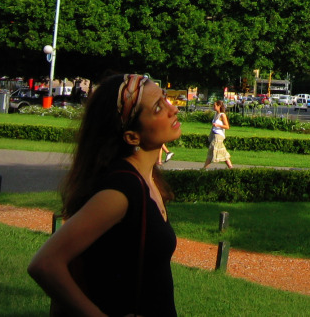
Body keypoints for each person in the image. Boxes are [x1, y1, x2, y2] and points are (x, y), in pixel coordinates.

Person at [28, 73, 181, 317]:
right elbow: (45, 264)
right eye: (157, 108)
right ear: (132, 136)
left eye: (165, 100)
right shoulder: (122, 190)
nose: (172, 110)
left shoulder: (148, 180)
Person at [202, 100, 234, 170]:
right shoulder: (216, 114)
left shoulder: (222, 115)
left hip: (219, 135)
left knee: (212, 149)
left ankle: (204, 168)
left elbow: (227, 126)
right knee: (222, 151)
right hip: (214, 134)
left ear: (219, 106)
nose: (214, 107)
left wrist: (218, 125)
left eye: (215, 105)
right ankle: (230, 167)